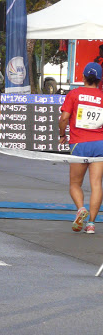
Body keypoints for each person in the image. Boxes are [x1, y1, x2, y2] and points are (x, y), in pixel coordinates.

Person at [59, 62, 103, 234]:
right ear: (99, 80)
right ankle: (91, 224)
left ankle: (81, 209)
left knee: (75, 184)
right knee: (96, 184)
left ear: (83, 77)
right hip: (100, 144)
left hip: (79, 144)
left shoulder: (74, 94)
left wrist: (62, 134)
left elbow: (63, 118)